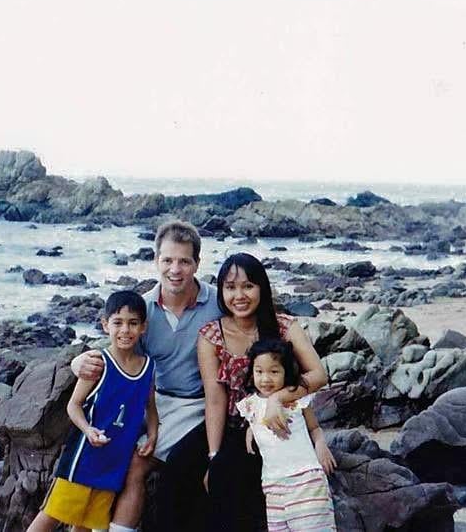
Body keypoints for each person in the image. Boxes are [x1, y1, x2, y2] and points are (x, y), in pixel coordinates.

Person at [70, 221, 222, 532]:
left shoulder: (218, 303)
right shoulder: (144, 308)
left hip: (196, 405)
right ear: (156, 261)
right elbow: (119, 346)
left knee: (137, 464)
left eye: (184, 261)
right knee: (99, 449)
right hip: (151, 401)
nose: (175, 269)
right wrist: (77, 361)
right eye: (167, 260)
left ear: (197, 264)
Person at [198, 252, 329, 532]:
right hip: (234, 423)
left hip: (275, 425)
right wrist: (213, 453)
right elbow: (215, 398)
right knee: (177, 471)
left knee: (234, 477)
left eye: (248, 286)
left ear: (262, 288)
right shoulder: (211, 334)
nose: (239, 295)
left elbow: (319, 375)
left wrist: (278, 398)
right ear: (221, 292)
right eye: (230, 287)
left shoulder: (283, 326)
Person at [28, 291, 158, 532]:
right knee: (50, 516)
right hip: (83, 459)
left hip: (114, 464)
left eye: (133, 323)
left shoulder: (148, 367)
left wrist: (152, 435)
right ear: (105, 324)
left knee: (86, 525)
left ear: (143, 327)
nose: (125, 330)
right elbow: (73, 405)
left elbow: (150, 407)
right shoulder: (99, 363)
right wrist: (88, 430)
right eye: (117, 323)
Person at [237, 339, 336, 532]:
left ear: (286, 372)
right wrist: (251, 431)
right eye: (259, 371)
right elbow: (256, 423)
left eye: (274, 371)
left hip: (305, 479)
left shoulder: (295, 399)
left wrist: (321, 446)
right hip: (273, 484)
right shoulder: (249, 405)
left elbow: (314, 428)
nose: (265, 379)